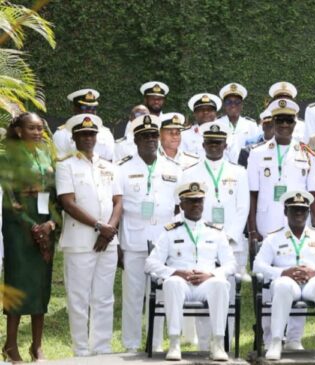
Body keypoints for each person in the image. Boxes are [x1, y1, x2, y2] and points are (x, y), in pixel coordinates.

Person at [246, 98, 315, 347]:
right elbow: (252, 194)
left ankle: (294, 338)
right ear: (272, 122)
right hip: (267, 226)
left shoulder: (307, 154)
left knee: (299, 275)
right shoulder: (257, 153)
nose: (284, 125)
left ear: (295, 123)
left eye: (289, 120)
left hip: (299, 227)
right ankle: (269, 337)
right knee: (270, 286)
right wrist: (252, 230)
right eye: (279, 120)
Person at [55, 114, 123, 357]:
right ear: (74, 137)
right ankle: (81, 350)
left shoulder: (109, 166)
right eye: (83, 134)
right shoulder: (65, 165)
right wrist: (98, 226)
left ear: (97, 137)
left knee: (104, 297)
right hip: (80, 241)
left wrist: (109, 230)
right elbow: (68, 203)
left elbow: (118, 202)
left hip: (107, 241)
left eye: (92, 134)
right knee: (78, 298)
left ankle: (101, 348)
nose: (88, 138)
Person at [144, 181, 235, 361]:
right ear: (182, 204)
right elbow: (150, 263)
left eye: (199, 201)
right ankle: (174, 342)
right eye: (191, 201)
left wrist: (211, 274)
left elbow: (231, 263)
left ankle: (217, 343)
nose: (196, 205)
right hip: (182, 283)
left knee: (221, 284)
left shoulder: (215, 232)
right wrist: (176, 272)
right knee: (172, 283)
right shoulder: (170, 232)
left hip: (206, 283)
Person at [182, 122, 250, 348]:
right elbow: (189, 208)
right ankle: (203, 344)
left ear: (225, 145)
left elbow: (243, 207)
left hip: (231, 243)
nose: (214, 146)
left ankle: (225, 343)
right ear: (203, 145)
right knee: (203, 292)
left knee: (226, 296)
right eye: (210, 142)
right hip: (202, 244)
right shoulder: (190, 172)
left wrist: (228, 237)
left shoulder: (238, 172)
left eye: (218, 143)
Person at [116, 115, 180, 352]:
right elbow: (118, 208)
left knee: (161, 297)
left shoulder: (173, 168)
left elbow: (178, 208)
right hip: (133, 240)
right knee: (133, 296)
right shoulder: (122, 168)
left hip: (163, 243)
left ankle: (155, 342)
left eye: (154, 135)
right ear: (136, 140)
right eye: (145, 136)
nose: (151, 140)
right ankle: (131, 345)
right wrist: (117, 244)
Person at [254, 190, 315, 361]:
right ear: (286, 212)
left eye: (303, 210)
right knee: (283, 285)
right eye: (294, 210)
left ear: (308, 213)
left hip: (312, 282)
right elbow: (258, 265)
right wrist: (282, 272)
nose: (299, 214)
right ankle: (276, 341)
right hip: (287, 282)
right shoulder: (273, 238)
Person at [1, 112, 59, 362]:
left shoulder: (45, 154)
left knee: (41, 285)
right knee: (18, 284)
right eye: (31, 128)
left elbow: (53, 192)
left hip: (45, 223)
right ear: (19, 131)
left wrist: (51, 223)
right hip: (18, 229)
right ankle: (10, 345)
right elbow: (9, 198)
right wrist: (31, 225)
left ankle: (37, 346)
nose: (37, 133)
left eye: (40, 129)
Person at [53, 88, 115, 161]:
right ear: (75, 109)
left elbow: (110, 160)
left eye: (93, 108)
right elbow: (60, 161)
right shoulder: (62, 133)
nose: (89, 111)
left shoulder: (106, 133)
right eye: (84, 107)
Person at [215, 82, 262, 163]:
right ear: (224, 105)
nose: (233, 105)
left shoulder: (251, 125)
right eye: (229, 102)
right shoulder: (216, 124)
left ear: (242, 105)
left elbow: (256, 148)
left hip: (246, 169)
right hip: (222, 169)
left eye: (237, 102)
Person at [181, 93, 222, 157]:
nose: (205, 112)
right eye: (201, 110)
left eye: (209, 110)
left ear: (215, 113)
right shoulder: (184, 135)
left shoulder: (225, 133)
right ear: (194, 113)